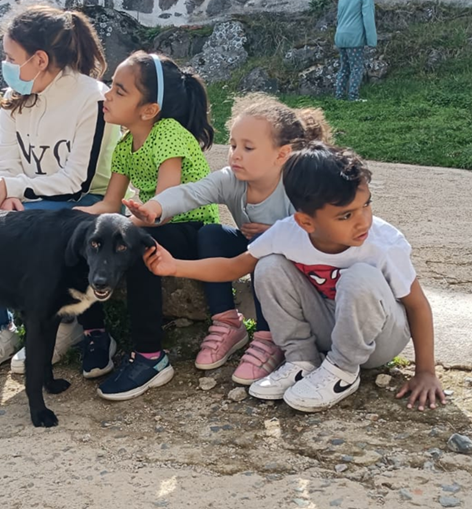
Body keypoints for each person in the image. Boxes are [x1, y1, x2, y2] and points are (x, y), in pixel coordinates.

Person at [144, 143, 446, 413]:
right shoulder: (288, 232)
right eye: (346, 215)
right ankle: (302, 362)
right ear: (305, 221)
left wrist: (426, 371)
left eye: (365, 206)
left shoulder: (382, 243)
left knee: (359, 278)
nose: (362, 221)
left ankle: (341, 372)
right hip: (327, 332)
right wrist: (174, 266)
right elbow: (234, 267)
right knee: (268, 265)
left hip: (378, 340)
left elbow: (417, 306)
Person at [0, 4, 121, 381]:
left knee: (35, 227)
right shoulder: (15, 97)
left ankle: (61, 324)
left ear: (40, 59)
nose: (6, 64)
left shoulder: (92, 99)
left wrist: (13, 188)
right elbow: (4, 158)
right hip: (31, 198)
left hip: (81, 203)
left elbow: (76, 180)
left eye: (11, 57)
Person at [125, 93, 332, 386]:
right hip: (249, 251)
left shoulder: (298, 183)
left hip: (290, 266)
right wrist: (153, 209)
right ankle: (227, 323)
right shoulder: (231, 179)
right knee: (211, 234)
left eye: (248, 148)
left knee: (269, 257)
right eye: (233, 145)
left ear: (281, 154)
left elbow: (322, 233)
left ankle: (268, 336)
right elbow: (189, 193)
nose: (235, 154)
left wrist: (279, 234)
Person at [76, 51, 218, 401]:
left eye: (119, 91)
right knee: (85, 239)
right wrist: (70, 219)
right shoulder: (124, 146)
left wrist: (129, 222)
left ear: (149, 110)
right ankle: (94, 332)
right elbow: (110, 203)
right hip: (149, 221)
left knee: (139, 252)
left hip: (190, 226)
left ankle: (151, 356)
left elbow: (167, 205)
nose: (106, 95)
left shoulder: (168, 133)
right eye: (111, 86)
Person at [334, 0, 376, 102]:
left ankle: (339, 96)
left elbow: (339, 18)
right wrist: (372, 40)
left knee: (344, 68)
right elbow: (368, 18)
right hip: (354, 38)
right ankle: (353, 97)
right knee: (356, 68)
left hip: (341, 37)